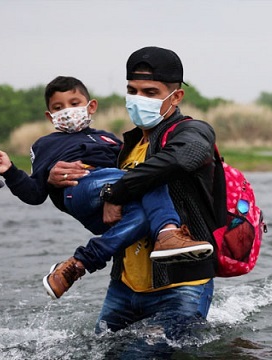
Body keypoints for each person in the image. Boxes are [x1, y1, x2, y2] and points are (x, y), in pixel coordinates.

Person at [0, 76, 214, 300]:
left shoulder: (109, 139)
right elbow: (34, 194)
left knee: (143, 214)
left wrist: (114, 196)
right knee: (145, 178)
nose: (67, 110)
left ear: (91, 106)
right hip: (82, 186)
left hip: (110, 200)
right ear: (50, 115)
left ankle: (78, 264)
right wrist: (11, 171)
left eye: (74, 104)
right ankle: (167, 232)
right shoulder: (45, 144)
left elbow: (127, 172)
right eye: (58, 107)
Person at [48, 47, 222, 337]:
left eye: (150, 92)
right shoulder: (124, 145)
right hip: (124, 286)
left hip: (180, 286)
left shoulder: (192, 132)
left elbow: (183, 157)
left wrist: (116, 192)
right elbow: (95, 210)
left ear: (176, 97)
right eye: (132, 90)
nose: (139, 99)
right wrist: (57, 185)